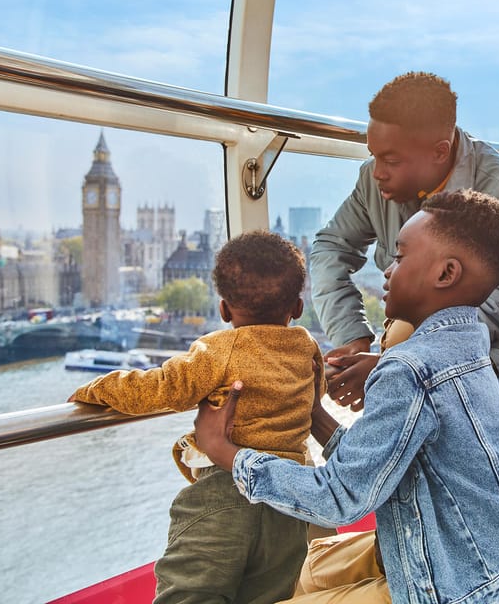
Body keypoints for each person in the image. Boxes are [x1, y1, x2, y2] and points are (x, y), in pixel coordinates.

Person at [195, 190, 499, 604]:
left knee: (287, 580)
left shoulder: (409, 369)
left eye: (398, 257)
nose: (386, 270)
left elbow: (339, 499)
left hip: (467, 587)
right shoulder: (466, 343)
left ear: (446, 273)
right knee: (307, 568)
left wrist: (225, 451)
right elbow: (379, 461)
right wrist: (314, 415)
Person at [69, 230, 324, 604]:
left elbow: (161, 388)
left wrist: (95, 390)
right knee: (269, 595)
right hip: (287, 499)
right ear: (298, 307)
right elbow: (317, 395)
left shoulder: (218, 350)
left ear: (223, 309)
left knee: (189, 593)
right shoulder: (306, 346)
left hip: (224, 491)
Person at [309, 71, 499, 409]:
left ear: (440, 152)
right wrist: (352, 338)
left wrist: (397, 364)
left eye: (391, 159)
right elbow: (331, 248)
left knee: (450, 398)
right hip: (416, 334)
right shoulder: (374, 180)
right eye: (373, 155)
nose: (376, 172)